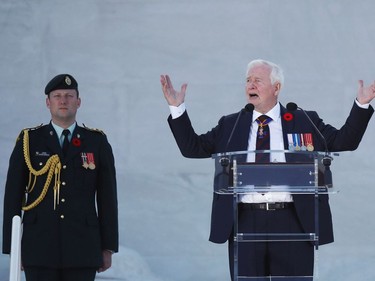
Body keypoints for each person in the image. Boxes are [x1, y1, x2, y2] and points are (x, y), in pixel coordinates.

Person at [160, 59, 375, 280]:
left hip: (293, 220)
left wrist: (361, 104)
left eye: (258, 80)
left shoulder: (303, 120)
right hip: (245, 220)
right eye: (248, 81)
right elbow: (192, 148)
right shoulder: (231, 124)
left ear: (277, 87)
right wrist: (177, 108)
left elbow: (344, 141)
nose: (250, 85)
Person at [2, 74, 119, 281]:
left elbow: (107, 198)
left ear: (78, 102)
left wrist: (108, 247)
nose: (63, 101)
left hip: (83, 247)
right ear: (48, 103)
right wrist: (13, 247)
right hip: (38, 246)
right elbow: (13, 195)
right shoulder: (29, 140)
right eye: (57, 96)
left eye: (69, 96)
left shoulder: (96, 142)